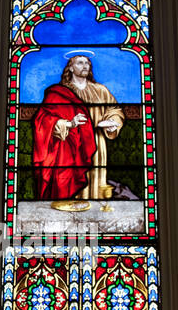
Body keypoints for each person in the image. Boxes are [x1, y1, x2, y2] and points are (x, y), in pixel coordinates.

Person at [31, 52, 124, 204]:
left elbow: (115, 110)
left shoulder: (101, 90)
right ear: (71, 68)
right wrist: (66, 123)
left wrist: (112, 123)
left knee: (95, 182)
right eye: (80, 63)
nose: (85, 66)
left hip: (97, 143)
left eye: (87, 63)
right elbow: (43, 119)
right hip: (70, 146)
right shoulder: (59, 92)